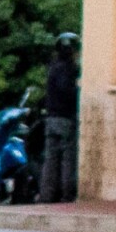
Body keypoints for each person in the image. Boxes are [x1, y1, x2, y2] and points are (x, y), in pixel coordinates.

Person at [42, 32, 81, 203]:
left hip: (51, 119)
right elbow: (68, 92)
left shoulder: (53, 68)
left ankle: (47, 195)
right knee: (67, 159)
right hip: (65, 119)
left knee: (50, 159)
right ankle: (67, 194)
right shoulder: (68, 70)